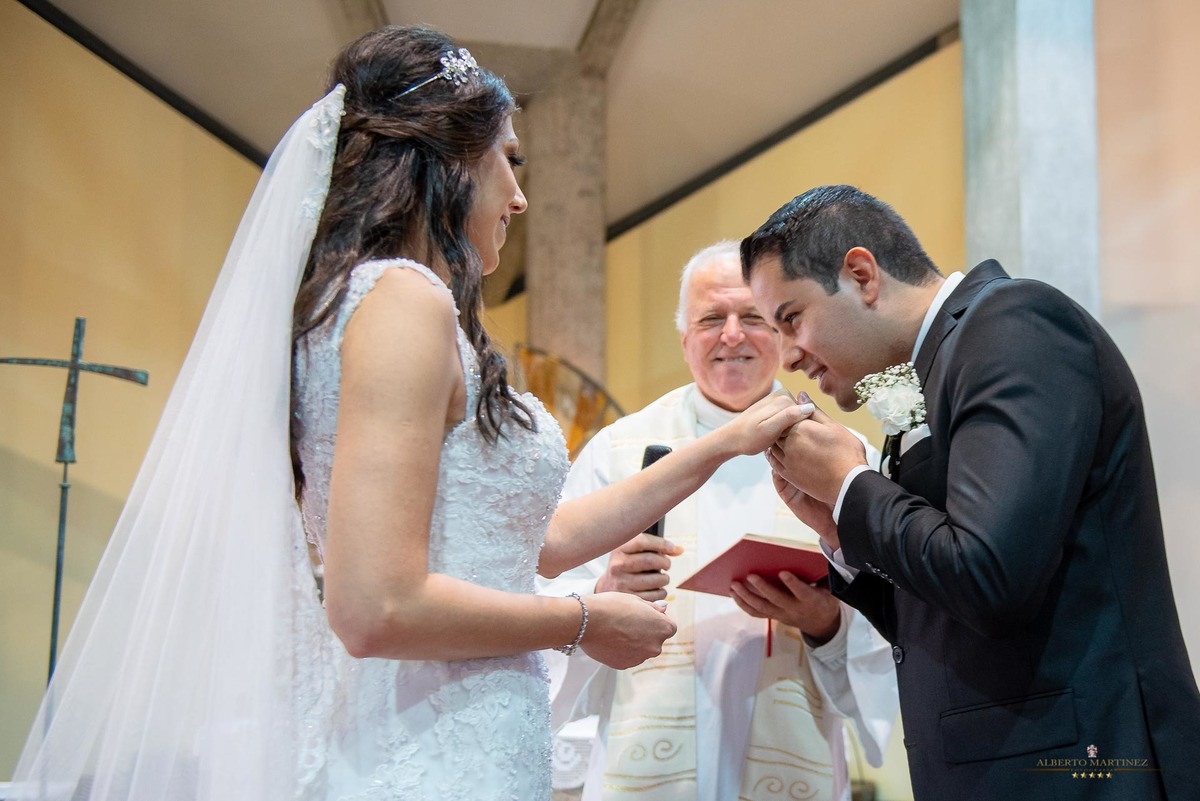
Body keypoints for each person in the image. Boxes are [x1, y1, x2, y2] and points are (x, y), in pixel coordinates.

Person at [11, 26, 813, 801]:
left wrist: (723, 443)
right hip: (426, 743)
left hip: (462, 730)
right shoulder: (401, 302)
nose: (520, 195)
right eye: (509, 159)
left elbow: (537, 537)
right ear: (453, 163)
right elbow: (373, 606)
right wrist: (579, 620)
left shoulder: (394, 307)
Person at [740, 184, 1200, 800]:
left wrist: (852, 485)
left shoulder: (1016, 324)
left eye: (790, 319)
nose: (789, 357)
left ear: (860, 274)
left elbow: (989, 577)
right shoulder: (931, 370)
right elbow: (943, 609)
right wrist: (837, 526)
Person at [540, 241, 898, 801]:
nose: (732, 335)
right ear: (685, 341)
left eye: (752, 317)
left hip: (791, 751)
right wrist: (604, 591)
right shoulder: (617, 450)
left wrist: (828, 622)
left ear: (783, 333)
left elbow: (902, 615)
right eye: (711, 319)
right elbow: (544, 594)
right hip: (645, 762)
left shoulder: (841, 453)